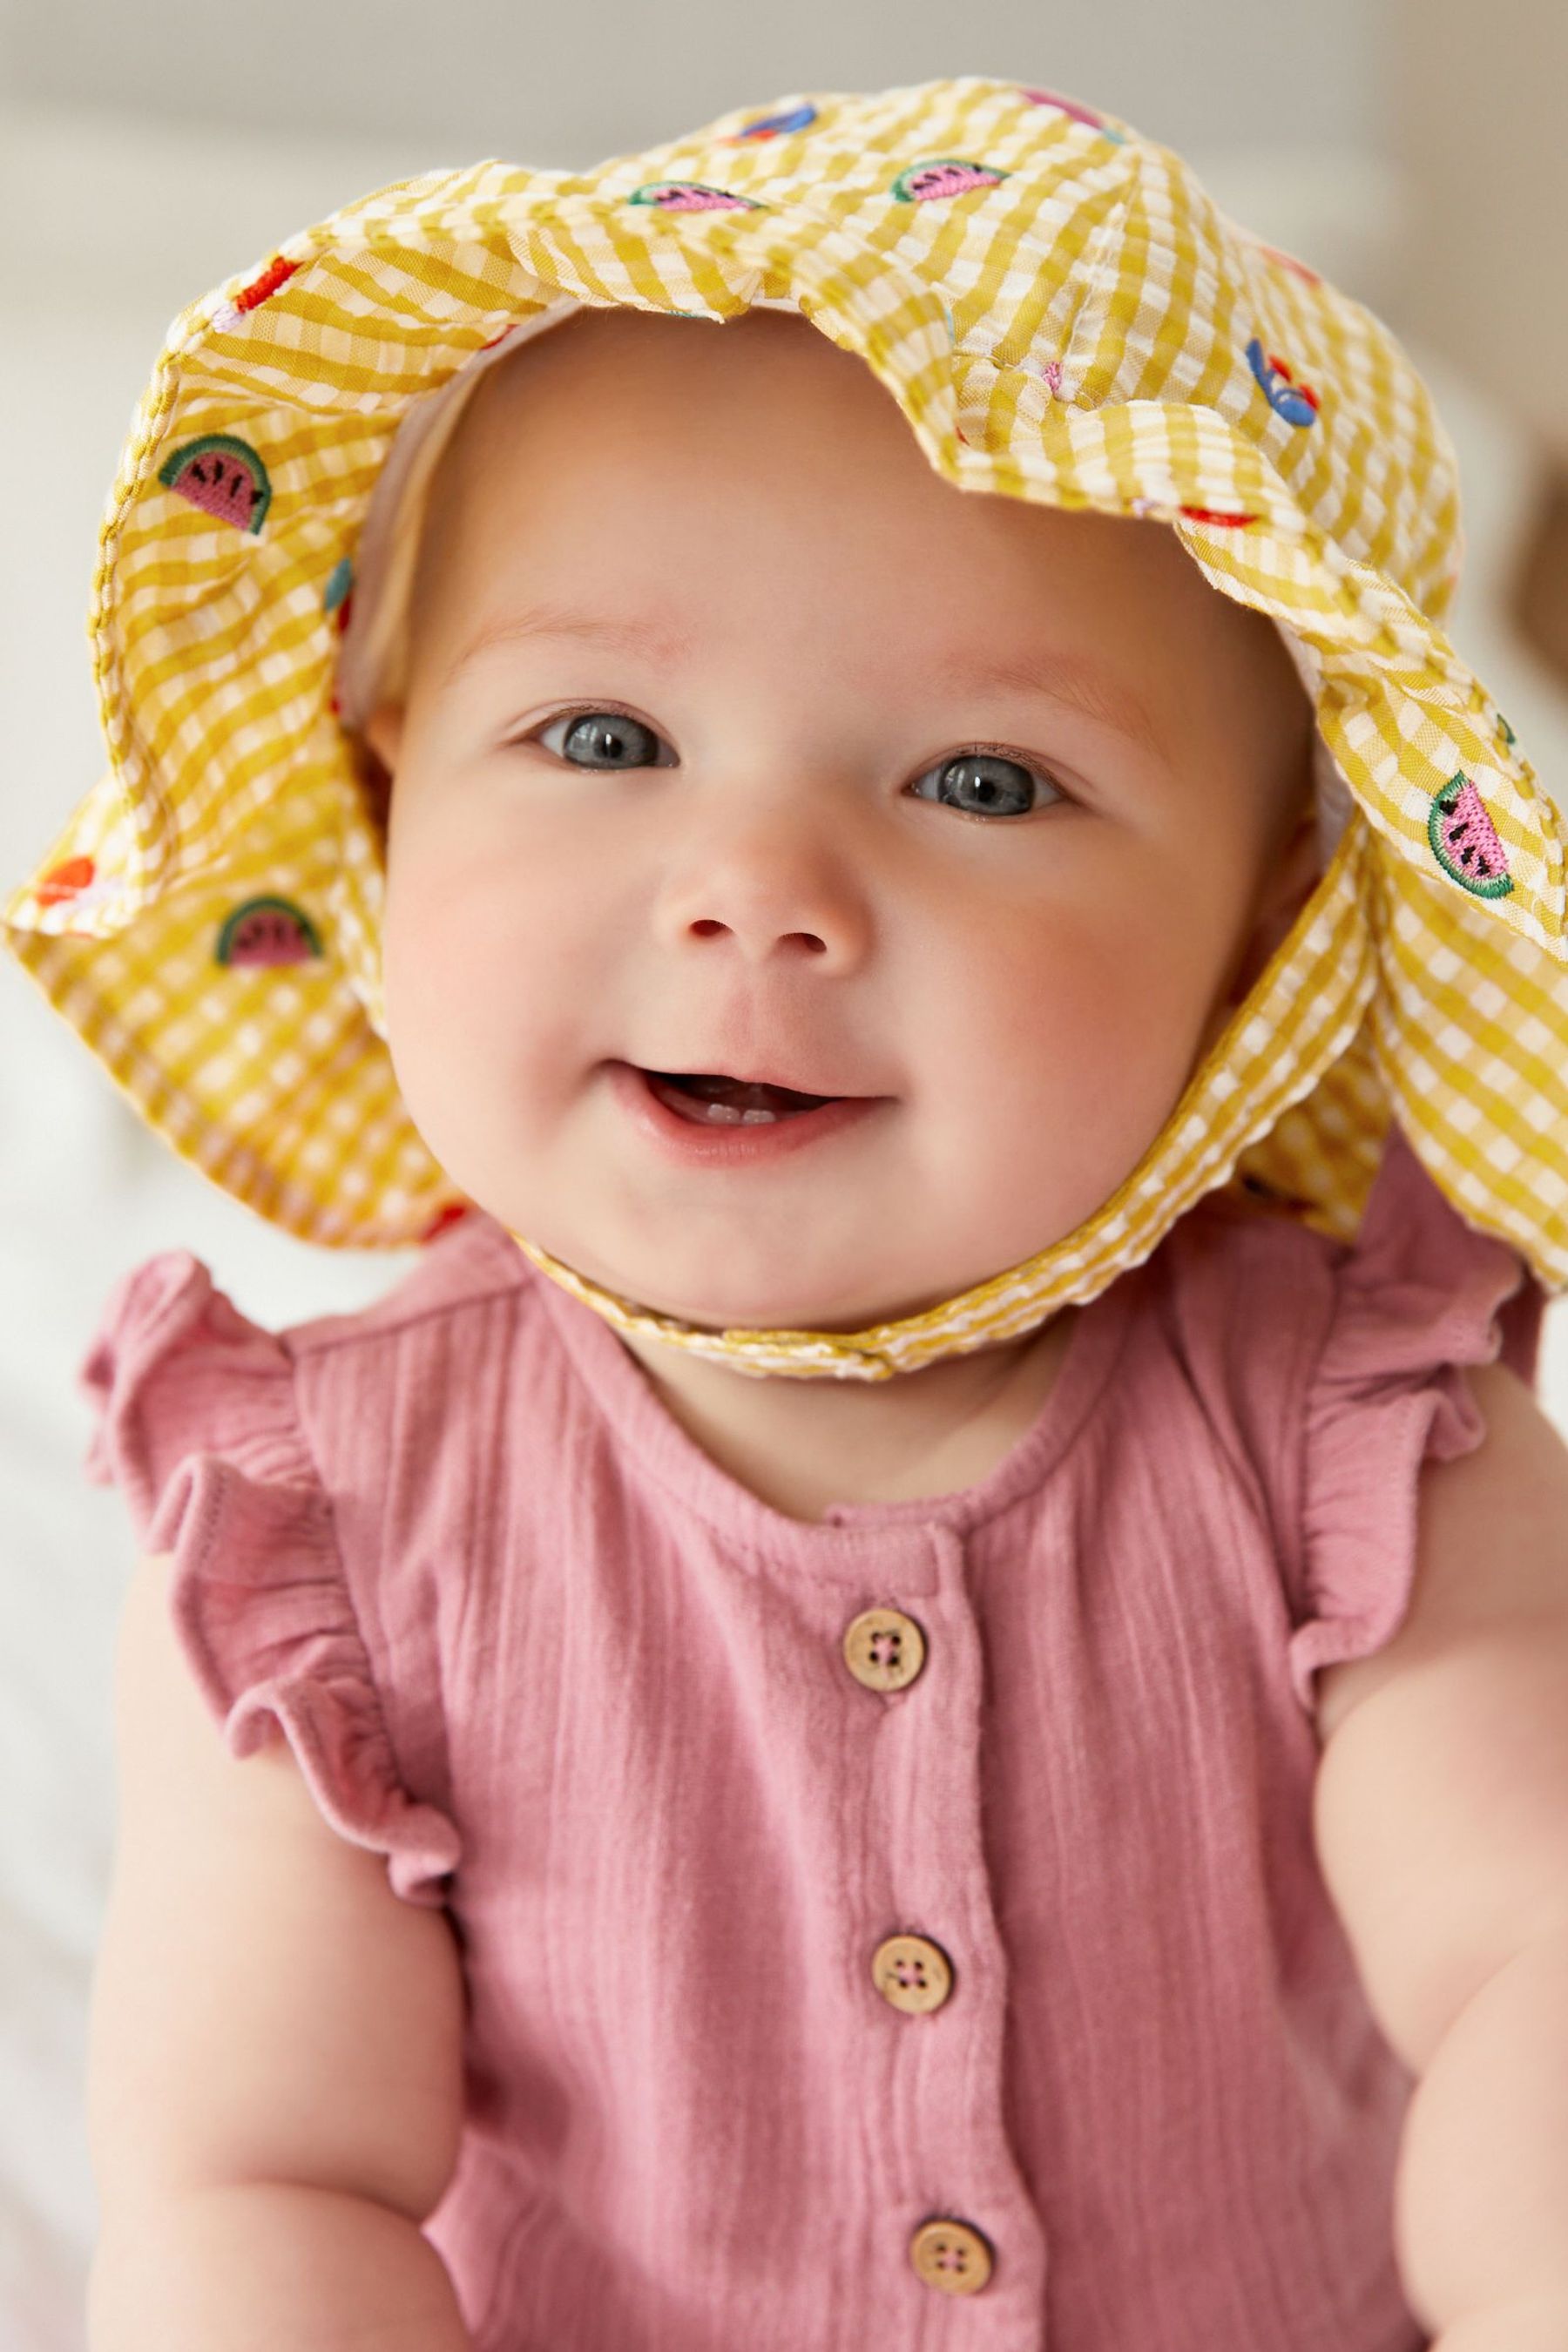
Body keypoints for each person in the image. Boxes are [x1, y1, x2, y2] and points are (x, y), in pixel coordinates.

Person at [9, 75, 1568, 2352]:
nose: (755, 894)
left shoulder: (1360, 1427)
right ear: (378, 800)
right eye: (605, 738)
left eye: (983, 779)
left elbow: (1528, 1950)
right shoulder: (316, 1519)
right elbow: (265, 2173)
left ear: (1266, 942)